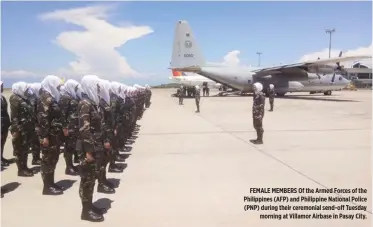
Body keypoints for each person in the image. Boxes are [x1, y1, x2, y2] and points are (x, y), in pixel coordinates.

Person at [77, 75, 105, 222]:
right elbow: (84, 129)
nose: (99, 89)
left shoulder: (92, 103)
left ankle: (89, 205)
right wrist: (88, 150)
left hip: (94, 146)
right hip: (87, 148)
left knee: (91, 178)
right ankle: (85, 212)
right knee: (87, 180)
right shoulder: (85, 104)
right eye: (96, 86)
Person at [38, 75, 64, 195]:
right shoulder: (45, 97)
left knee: (53, 159)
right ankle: (47, 187)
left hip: (54, 134)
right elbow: (43, 118)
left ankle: (51, 183)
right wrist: (45, 136)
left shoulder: (52, 97)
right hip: (48, 135)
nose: (59, 87)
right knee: (48, 159)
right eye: (57, 85)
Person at [9, 82, 35, 176]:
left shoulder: (23, 98)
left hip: (26, 128)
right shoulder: (15, 98)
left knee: (25, 149)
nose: (27, 91)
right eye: (25, 89)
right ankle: (21, 170)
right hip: (20, 129)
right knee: (19, 150)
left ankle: (25, 167)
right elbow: (14, 116)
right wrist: (15, 130)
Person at [97, 79, 115, 193]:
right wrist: (105, 139)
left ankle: (103, 180)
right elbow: (101, 123)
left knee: (105, 160)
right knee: (101, 162)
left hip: (107, 134)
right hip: (102, 137)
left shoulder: (103, 101)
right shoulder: (99, 103)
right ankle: (101, 184)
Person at [59, 79, 80, 176]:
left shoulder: (73, 96)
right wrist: (64, 128)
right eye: (74, 87)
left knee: (73, 146)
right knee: (68, 147)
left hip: (75, 126)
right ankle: (68, 167)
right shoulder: (65, 98)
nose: (76, 89)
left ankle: (71, 165)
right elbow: (62, 114)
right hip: (69, 127)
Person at [28, 83, 42, 165]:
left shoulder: (35, 98)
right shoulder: (32, 99)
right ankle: (35, 159)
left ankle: (36, 157)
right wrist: (37, 123)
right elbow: (34, 113)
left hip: (35, 123)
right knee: (35, 141)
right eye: (39, 89)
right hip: (34, 123)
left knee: (36, 141)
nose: (40, 91)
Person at [1, 81, 12, 167]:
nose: (2, 87)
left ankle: (1, 157)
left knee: (2, 141)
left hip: (4, 123)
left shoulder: (2, 97)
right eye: (1, 86)